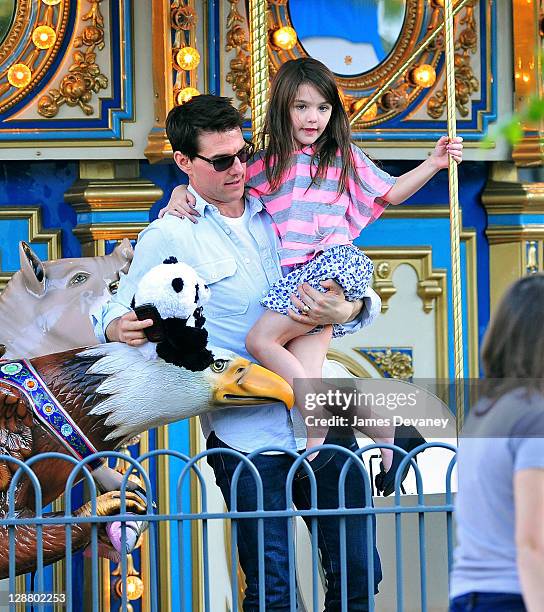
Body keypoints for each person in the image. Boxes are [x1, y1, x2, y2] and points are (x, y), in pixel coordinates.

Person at [93, 94, 385, 611]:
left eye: (243, 153)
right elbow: (116, 307)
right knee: (272, 589)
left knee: (359, 575)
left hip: (321, 413)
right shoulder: (171, 231)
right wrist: (115, 325)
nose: (239, 168)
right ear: (184, 162)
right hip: (248, 431)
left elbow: (344, 265)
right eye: (222, 160)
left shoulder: (278, 200)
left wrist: (353, 309)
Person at [160, 57, 463, 486]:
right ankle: (391, 439)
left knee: (261, 340)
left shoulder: (343, 157)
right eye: (302, 107)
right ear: (283, 108)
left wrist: (432, 164)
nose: (313, 117)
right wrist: (179, 191)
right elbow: (219, 181)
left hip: (328, 266)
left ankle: (323, 442)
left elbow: (391, 191)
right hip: (299, 277)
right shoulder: (267, 163)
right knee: (310, 375)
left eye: (323, 108)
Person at [449, 274, 544, 611]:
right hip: (516, 593)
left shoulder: (485, 412)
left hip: (470, 593)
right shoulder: (534, 417)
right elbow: (533, 542)